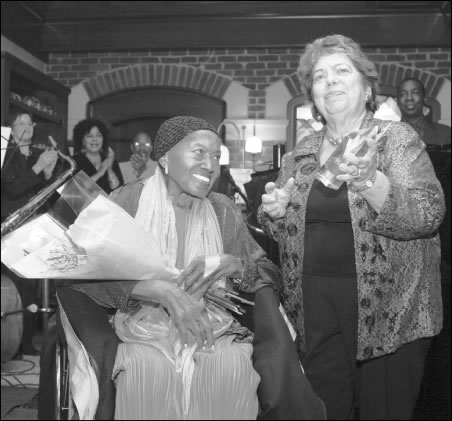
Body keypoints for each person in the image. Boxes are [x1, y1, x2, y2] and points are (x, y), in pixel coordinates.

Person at [38, 116, 325, 420]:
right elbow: (81, 272)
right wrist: (153, 290)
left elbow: (267, 271)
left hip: (212, 322)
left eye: (216, 156)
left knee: (231, 364)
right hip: (138, 322)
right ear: (164, 157)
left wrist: (235, 264)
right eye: (198, 152)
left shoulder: (222, 209)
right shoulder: (126, 201)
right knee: (144, 366)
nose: (210, 165)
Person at [259, 34, 445, 420]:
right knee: (325, 411)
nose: (330, 81)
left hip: (390, 310)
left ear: (367, 87)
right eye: (320, 76)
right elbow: (286, 229)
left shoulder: (395, 139)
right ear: (312, 93)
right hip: (313, 309)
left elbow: (427, 214)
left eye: (342, 71)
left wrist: (371, 181)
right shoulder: (302, 152)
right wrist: (275, 216)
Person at [1, 111, 59, 356]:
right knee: (14, 285)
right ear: (11, 129)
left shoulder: (37, 152)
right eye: (20, 122)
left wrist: (48, 171)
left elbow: (48, 191)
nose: (26, 126)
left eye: (29, 122)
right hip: (11, 227)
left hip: (33, 226)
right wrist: (38, 167)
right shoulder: (7, 153)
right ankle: (11, 344)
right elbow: (12, 189)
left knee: (31, 285)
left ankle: (26, 343)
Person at [72, 118, 124, 194]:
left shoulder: (111, 161)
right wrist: (100, 172)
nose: (95, 139)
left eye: (98, 135)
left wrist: (109, 168)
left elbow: (118, 190)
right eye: (89, 136)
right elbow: (76, 191)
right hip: (84, 206)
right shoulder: (73, 163)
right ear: (82, 140)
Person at [397, 77, 451, 149]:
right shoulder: (387, 136)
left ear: (424, 98)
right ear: (397, 101)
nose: (409, 98)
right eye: (402, 94)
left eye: (415, 93)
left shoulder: (446, 133)